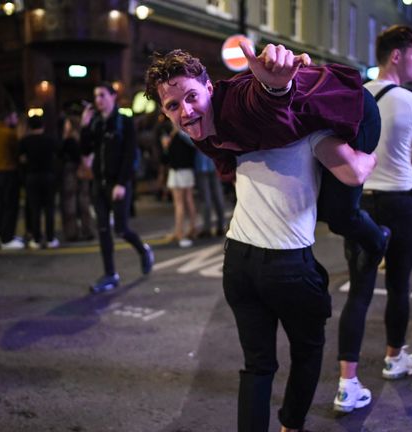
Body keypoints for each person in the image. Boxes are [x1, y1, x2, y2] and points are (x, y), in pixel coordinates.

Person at [147, 41, 374, 432]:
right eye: (173, 106)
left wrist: (275, 87)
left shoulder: (235, 133)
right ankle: (290, 427)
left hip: (238, 264)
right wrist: (373, 156)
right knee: (307, 352)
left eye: (191, 97)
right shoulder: (304, 127)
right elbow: (353, 173)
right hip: (288, 262)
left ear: (211, 90)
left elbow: (259, 100)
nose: (185, 111)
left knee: (257, 367)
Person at [337, 24, 412, 413]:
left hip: (359, 203)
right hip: (400, 203)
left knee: (359, 291)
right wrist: (410, 159)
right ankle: (395, 357)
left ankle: (347, 383)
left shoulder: (353, 96)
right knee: (398, 285)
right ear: (396, 55)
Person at [80, 82, 154, 293]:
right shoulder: (95, 122)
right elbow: (85, 150)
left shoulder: (124, 120)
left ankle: (143, 250)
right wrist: (84, 126)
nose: (98, 100)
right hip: (98, 183)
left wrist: (121, 183)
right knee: (103, 230)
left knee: (121, 229)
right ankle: (110, 274)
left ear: (113, 97)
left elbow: (129, 154)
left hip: (118, 184)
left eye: (102, 95)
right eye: (96, 96)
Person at [19, 115, 60, 249]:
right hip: (48, 176)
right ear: (43, 126)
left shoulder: (25, 141)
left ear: (30, 127)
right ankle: (50, 238)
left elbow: (20, 158)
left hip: (32, 176)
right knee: (49, 208)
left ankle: (36, 239)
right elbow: (58, 154)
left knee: (34, 208)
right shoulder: (50, 140)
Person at [0, 108, 24, 249]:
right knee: (10, 206)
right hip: (9, 172)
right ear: (8, 119)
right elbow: (18, 151)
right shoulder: (9, 134)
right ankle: (8, 238)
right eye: (14, 117)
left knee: (0, 206)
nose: (16, 120)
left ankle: (4, 235)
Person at [161, 123, 198, 247]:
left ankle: (182, 232)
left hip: (182, 169)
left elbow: (194, 145)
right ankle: (183, 230)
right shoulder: (176, 132)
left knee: (182, 202)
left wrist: (175, 134)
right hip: (178, 169)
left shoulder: (183, 131)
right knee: (185, 201)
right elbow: (166, 154)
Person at [60, 115, 95, 242]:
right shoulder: (82, 137)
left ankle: (71, 232)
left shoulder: (69, 140)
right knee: (84, 201)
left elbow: (62, 154)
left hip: (70, 172)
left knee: (70, 202)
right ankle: (87, 230)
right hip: (83, 170)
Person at [194, 146, 226, 238]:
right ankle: (221, 226)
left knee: (205, 199)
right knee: (218, 197)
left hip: (202, 166)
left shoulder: (198, 131)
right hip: (216, 164)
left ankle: (207, 229)